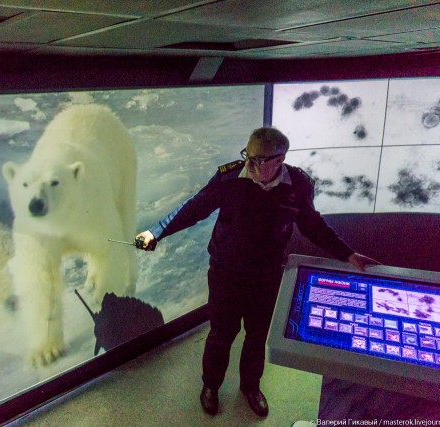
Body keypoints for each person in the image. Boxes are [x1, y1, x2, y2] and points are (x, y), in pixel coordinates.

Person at [136, 127, 379, 417]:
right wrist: (157, 232)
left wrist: (348, 254)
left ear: (280, 160)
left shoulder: (298, 184)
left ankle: (250, 387)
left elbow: (312, 225)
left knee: (257, 335)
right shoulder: (229, 178)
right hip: (226, 272)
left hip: (265, 276)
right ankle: (211, 385)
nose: (249, 165)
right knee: (221, 334)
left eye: (259, 160)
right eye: (247, 156)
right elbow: (195, 208)